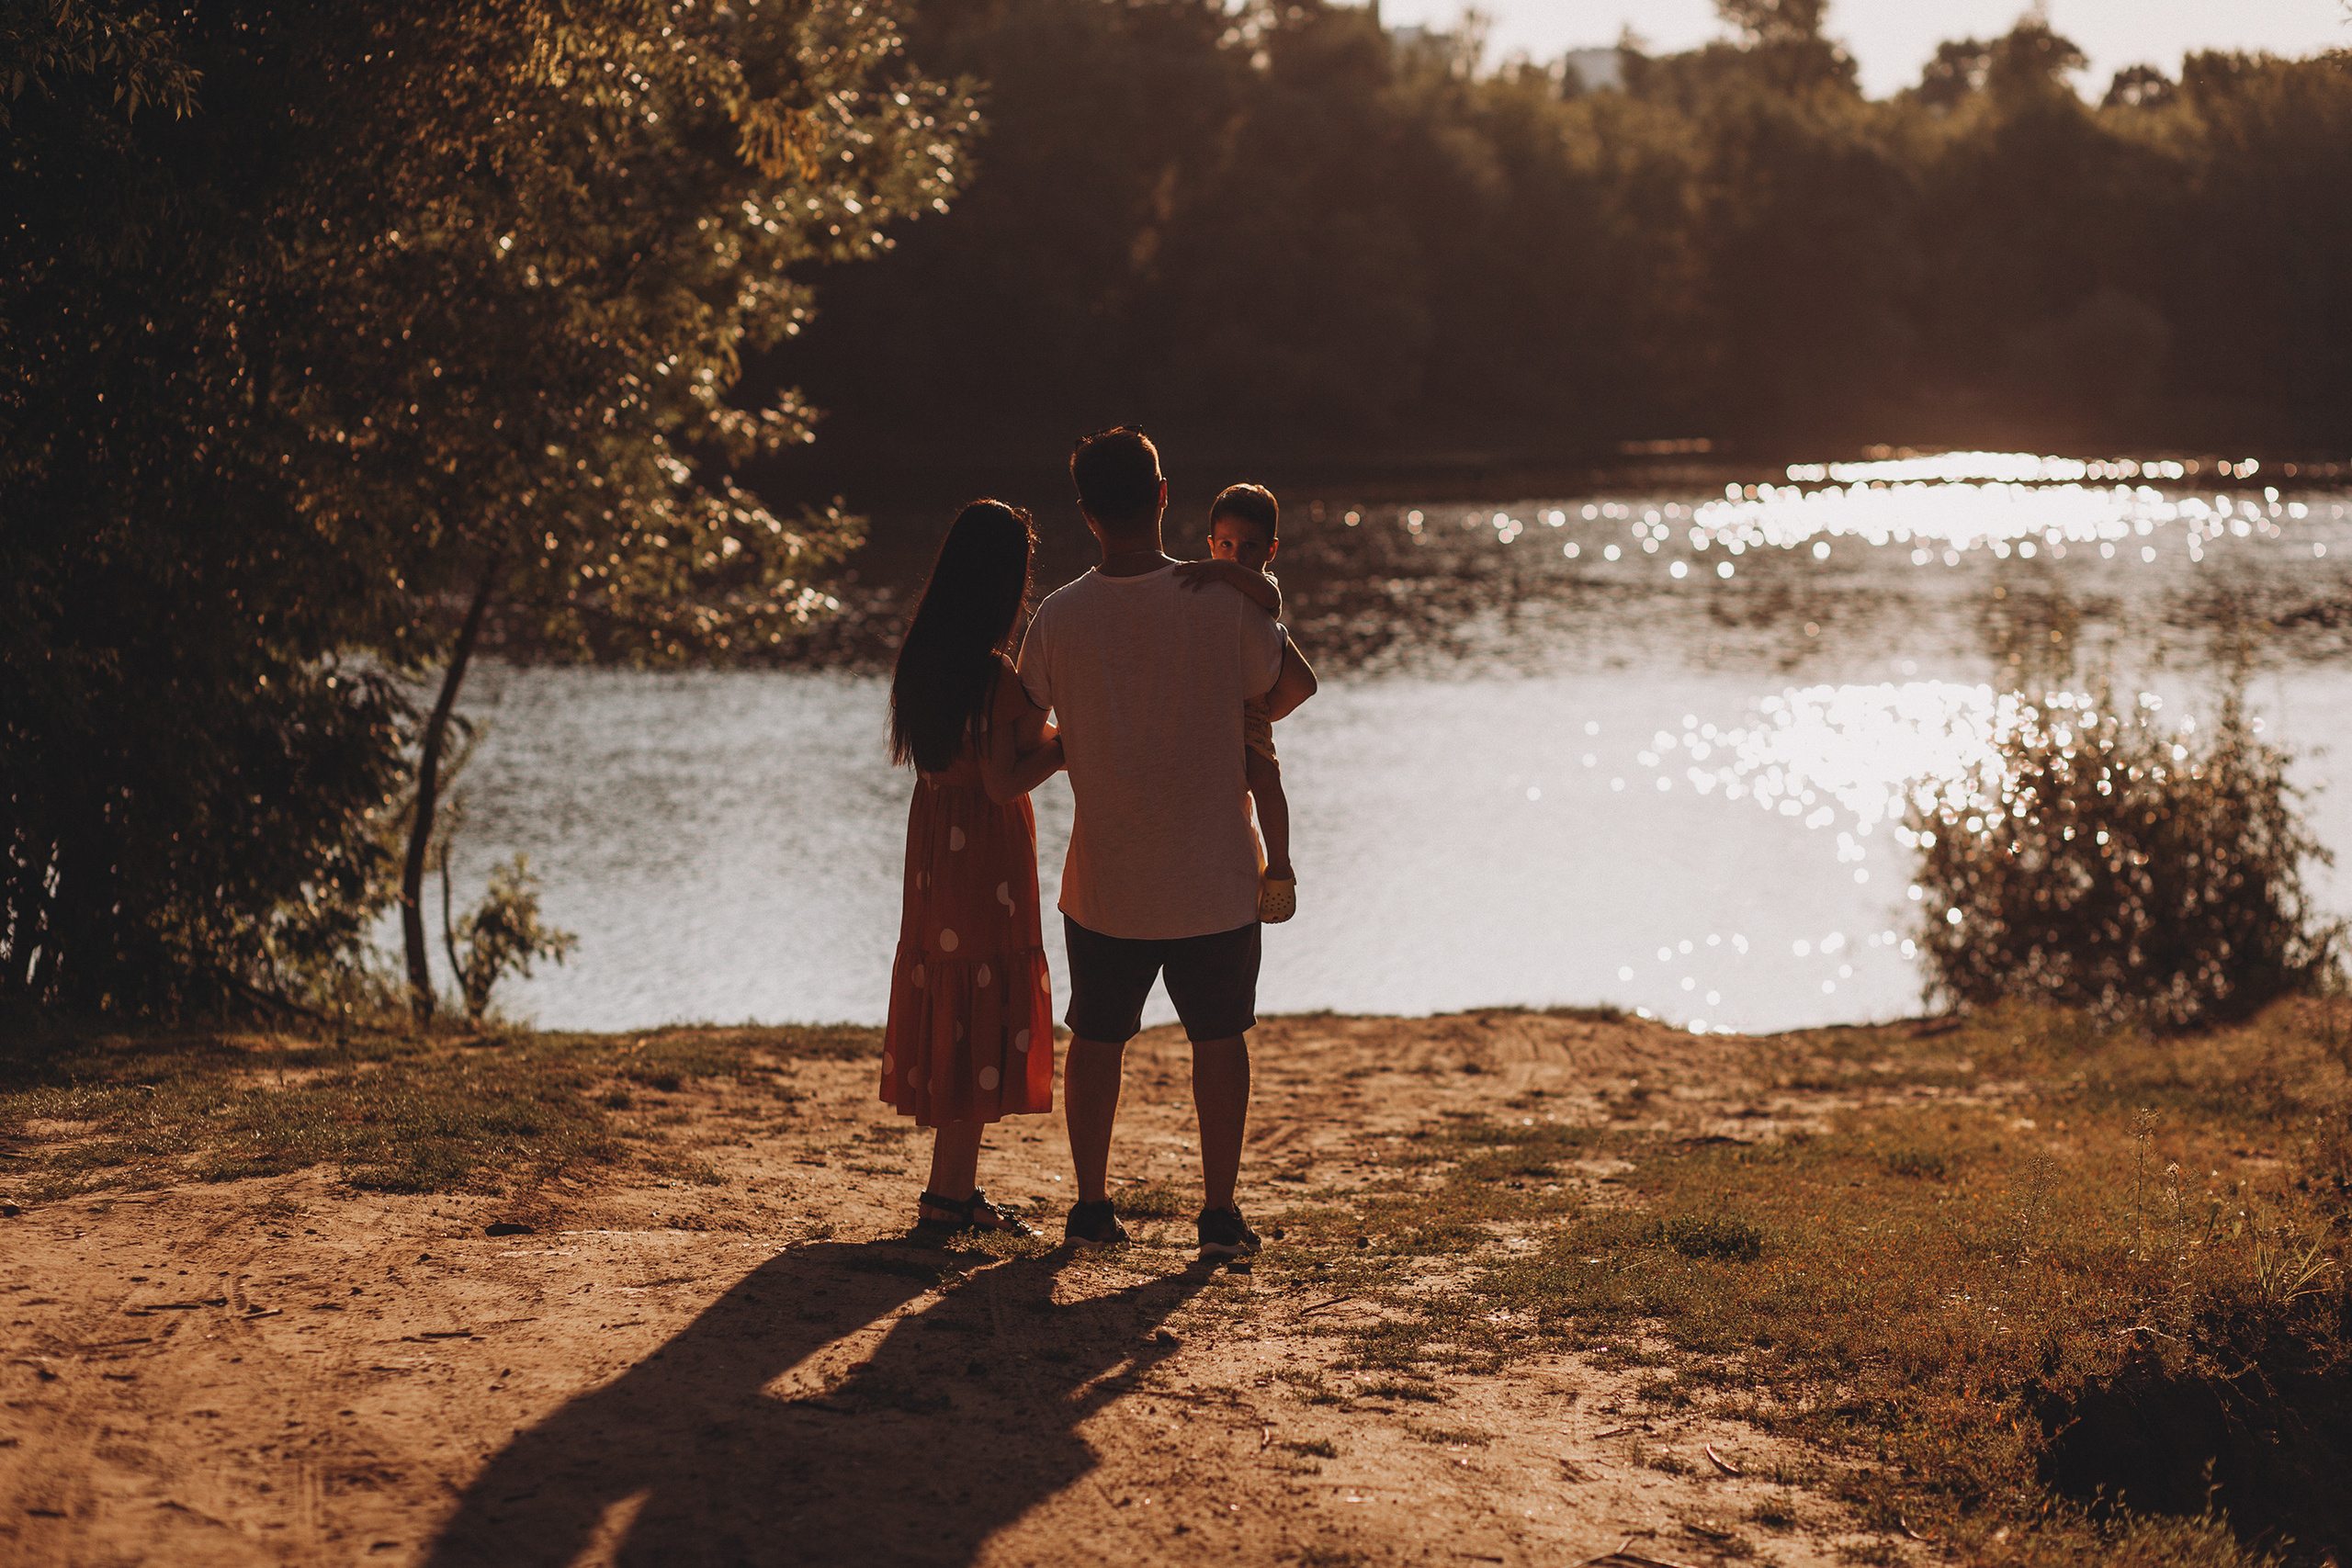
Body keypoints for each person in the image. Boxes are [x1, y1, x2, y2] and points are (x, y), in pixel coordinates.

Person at [1016, 427, 1318, 1259]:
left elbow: (1022, 725)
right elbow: (1288, 688)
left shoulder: (1059, 615)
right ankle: (1218, 1214)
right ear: (1161, 497)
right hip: (1215, 874)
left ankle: (1089, 1205)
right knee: (1220, 1040)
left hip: (1107, 876)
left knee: (1099, 1038)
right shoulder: (1225, 600)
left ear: (1084, 514)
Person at [881, 500, 1066, 1240]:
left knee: (953, 1000)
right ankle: (948, 1197)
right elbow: (1000, 779)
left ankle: (952, 1186)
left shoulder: (924, 657)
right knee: (977, 1005)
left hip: (934, 848)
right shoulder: (992, 673)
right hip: (982, 856)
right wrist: (1069, 742)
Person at [1173, 482, 1295, 922]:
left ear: (1271, 550)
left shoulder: (1259, 585)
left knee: (1264, 778)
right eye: (1225, 545)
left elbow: (1274, 603)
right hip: (1214, 703)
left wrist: (1226, 572)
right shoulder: (1206, 582)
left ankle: (1279, 865)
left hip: (1251, 707)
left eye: (1250, 546)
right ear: (1211, 544)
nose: (1237, 555)